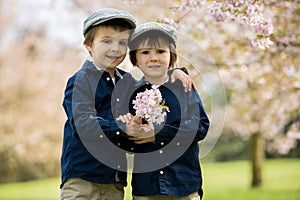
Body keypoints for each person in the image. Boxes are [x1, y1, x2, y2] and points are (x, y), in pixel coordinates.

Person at [60, 8, 195, 200]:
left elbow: (153, 83)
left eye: (122, 43)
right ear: (89, 45)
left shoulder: (127, 83)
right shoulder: (81, 80)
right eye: (107, 41)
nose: (115, 48)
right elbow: (83, 123)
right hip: (83, 177)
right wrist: (123, 127)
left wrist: (175, 72)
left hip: (114, 179)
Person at [116, 22, 210, 200]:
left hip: (183, 183)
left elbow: (200, 126)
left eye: (160, 51)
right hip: (146, 186)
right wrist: (130, 130)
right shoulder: (131, 93)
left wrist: (159, 133)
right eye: (145, 52)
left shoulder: (184, 87)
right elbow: (127, 139)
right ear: (135, 59)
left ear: (171, 55)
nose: (154, 58)